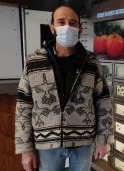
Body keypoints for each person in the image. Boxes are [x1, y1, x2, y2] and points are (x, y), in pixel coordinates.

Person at [15, 5, 114, 171]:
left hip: (83, 144)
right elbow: (23, 107)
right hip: (47, 146)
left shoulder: (92, 62)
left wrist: (104, 140)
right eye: (61, 22)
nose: (67, 26)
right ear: (52, 28)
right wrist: (26, 149)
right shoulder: (33, 61)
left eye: (73, 23)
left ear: (80, 29)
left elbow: (103, 102)